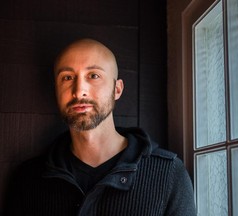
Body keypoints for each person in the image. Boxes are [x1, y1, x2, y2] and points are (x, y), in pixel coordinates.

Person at [3, 38, 196, 216]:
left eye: (93, 75)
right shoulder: (28, 178)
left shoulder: (169, 174)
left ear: (117, 89)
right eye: (67, 77)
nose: (79, 90)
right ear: (56, 90)